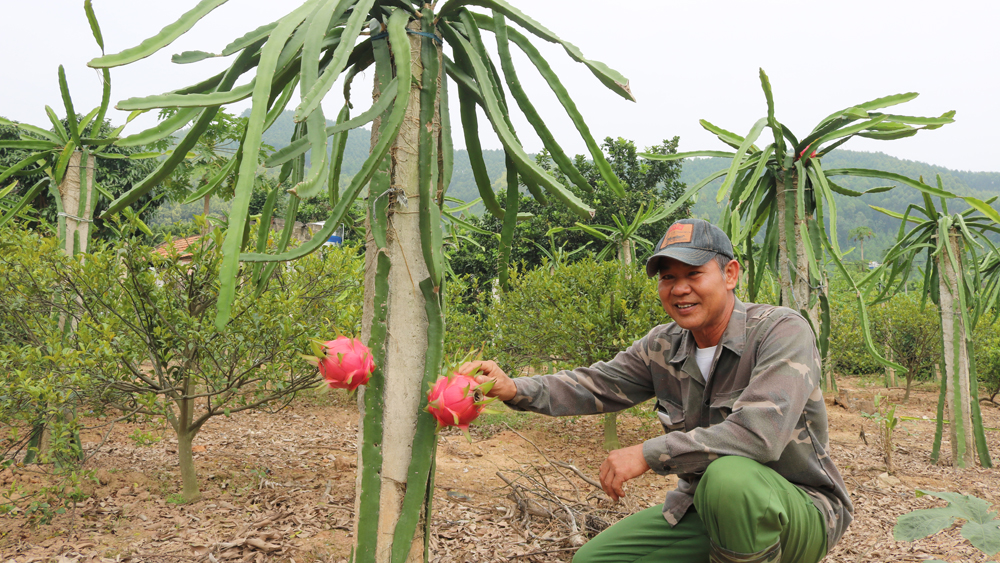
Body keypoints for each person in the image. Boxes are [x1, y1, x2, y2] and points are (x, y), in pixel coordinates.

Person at [459, 218, 852, 563]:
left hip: (800, 512)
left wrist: (649, 453)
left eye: (694, 274)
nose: (679, 289)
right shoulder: (663, 346)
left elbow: (759, 434)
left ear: (730, 274)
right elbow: (595, 384)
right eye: (668, 278)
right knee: (596, 559)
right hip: (706, 509)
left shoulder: (780, 331)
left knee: (729, 477)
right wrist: (513, 389)